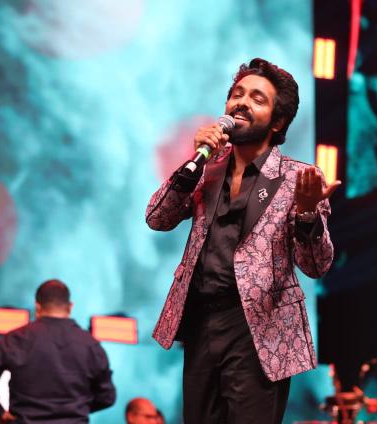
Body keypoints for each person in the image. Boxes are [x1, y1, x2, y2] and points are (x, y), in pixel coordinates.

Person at [145, 58, 339, 424]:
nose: (241, 103)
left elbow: (316, 265)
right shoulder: (206, 169)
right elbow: (158, 218)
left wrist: (307, 215)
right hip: (202, 320)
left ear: (277, 122)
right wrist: (193, 164)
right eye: (237, 94)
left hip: (258, 327)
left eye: (256, 98)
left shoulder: (298, 178)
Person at [0, 279, 116, 423]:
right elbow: (107, 397)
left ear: (37, 307)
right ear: (70, 307)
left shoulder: (17, 338)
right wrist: (79, 408)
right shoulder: (90, 345)